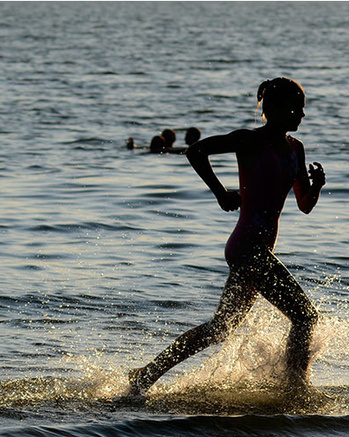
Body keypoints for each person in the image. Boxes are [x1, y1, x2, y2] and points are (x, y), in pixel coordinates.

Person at [127, 77, 326, 395]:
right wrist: (220, 193)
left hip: (258, 250)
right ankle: (293, 391)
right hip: (247, 247)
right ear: (272, 108)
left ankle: (144, 375)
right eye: (296, 109)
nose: (302, 115)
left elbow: (304, 205)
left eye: (303, 110)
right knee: (304, 315)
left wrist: (316, 186)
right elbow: (196, 151)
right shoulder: (249, 140)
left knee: (220, 328)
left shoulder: (295, 151)